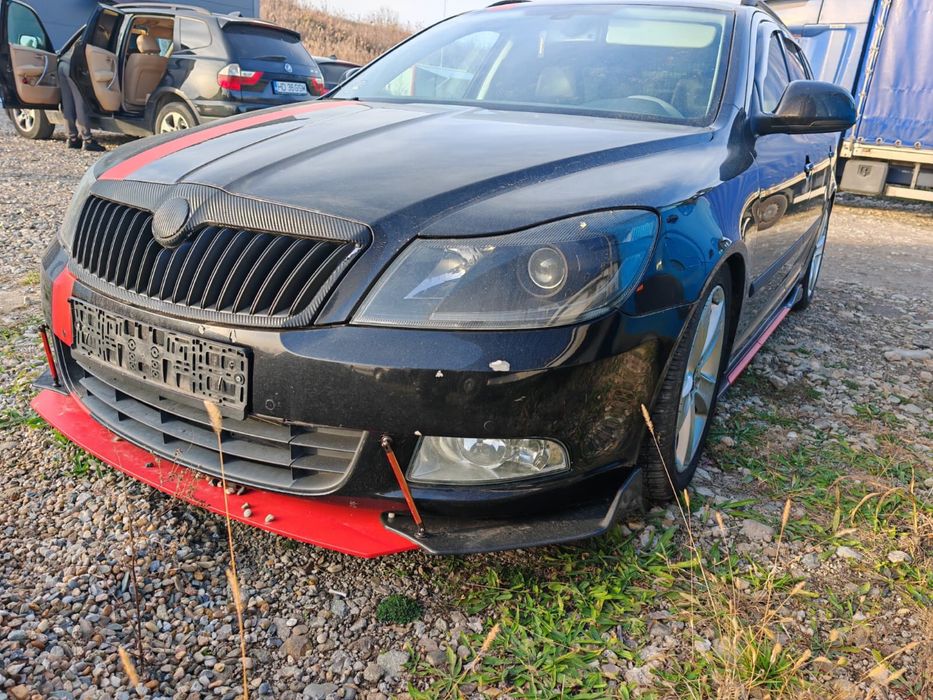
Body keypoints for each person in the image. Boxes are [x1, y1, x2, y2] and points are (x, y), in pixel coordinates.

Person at [57, 43, 104, 152]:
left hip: (62, 63)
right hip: (73, 65)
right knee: (80, 101)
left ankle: (72, 138)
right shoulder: (100, 34)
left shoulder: (85, 31)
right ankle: (87, 140)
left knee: (68, 102)